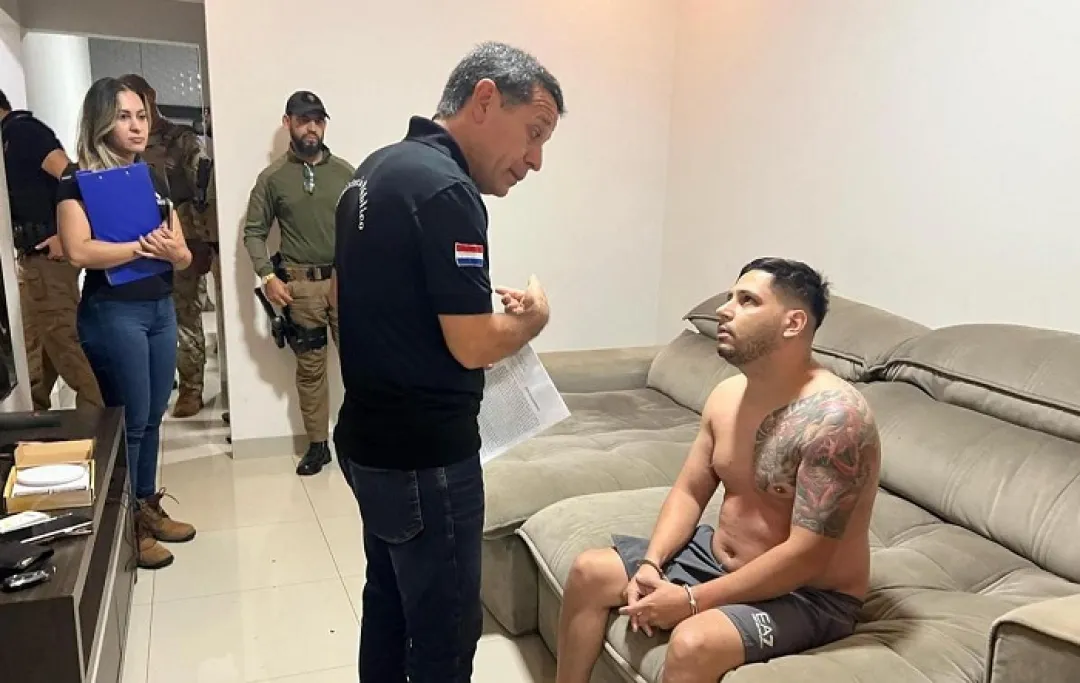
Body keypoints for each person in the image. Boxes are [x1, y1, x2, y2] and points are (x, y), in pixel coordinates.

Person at [333, 41, 565, 682]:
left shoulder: (374, 171)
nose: (536, 160)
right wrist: (532, 320)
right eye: (534, 133)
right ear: (485, 99)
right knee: (444, 634)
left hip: (368, 438)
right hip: (424, 459)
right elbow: (472, 344)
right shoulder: (448, 191)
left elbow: (354, 301)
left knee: (388, 605)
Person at [555, 258, 882, 683]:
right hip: (714, 558)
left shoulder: (836, 420)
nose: (724, 310)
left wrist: (692, 601)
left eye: (747, 301)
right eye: (730, 297)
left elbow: (806, 556)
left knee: (693, 643)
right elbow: (690, 491)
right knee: (589, 572)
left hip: (808, 593)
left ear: (793, 323)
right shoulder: (727, 396)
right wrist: (652, 563)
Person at [57, 77, 197, 570]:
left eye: (141, 115)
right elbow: (78, 251)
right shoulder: (77, 180)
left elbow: (182, 255)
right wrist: (142, 248)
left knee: (153, 414)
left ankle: (146, 506)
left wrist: (175, 252)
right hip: (114, 311)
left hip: (160, 307)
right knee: (131, 421)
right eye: (124, 116)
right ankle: (127, 525)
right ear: (100, 121)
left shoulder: (153, 178)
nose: (137, 126)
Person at [243, 91, 354, 476]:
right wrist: (267, 275)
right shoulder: (273, 179)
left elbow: (365, 227)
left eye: (318, 121)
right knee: (310, 370)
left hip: (344, 285)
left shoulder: (346, 174)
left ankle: (363, 439)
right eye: (304, 120)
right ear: (287, 122)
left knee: (361, 364)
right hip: (300, 289)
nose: (312, 128)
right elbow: (254, 232)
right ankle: (318, 445)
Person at [118, 74, 219, 419]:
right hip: (134, 245)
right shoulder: (119, 145)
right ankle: (158, 383)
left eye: (139, 103)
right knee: (145, 318)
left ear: (151, 96)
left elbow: (202, 194)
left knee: (184, 316)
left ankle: (192, 388)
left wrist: (202, 243)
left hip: (180, 242)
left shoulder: (181, 140)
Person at [0, 89, 102, 411]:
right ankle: (36, 420)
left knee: (63, 341)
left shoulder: (23, 132)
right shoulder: (9, 136)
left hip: (49, 261)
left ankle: (98, 421)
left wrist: (65, 233)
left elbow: (73, 177)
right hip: (34, 260)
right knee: (37, 346)